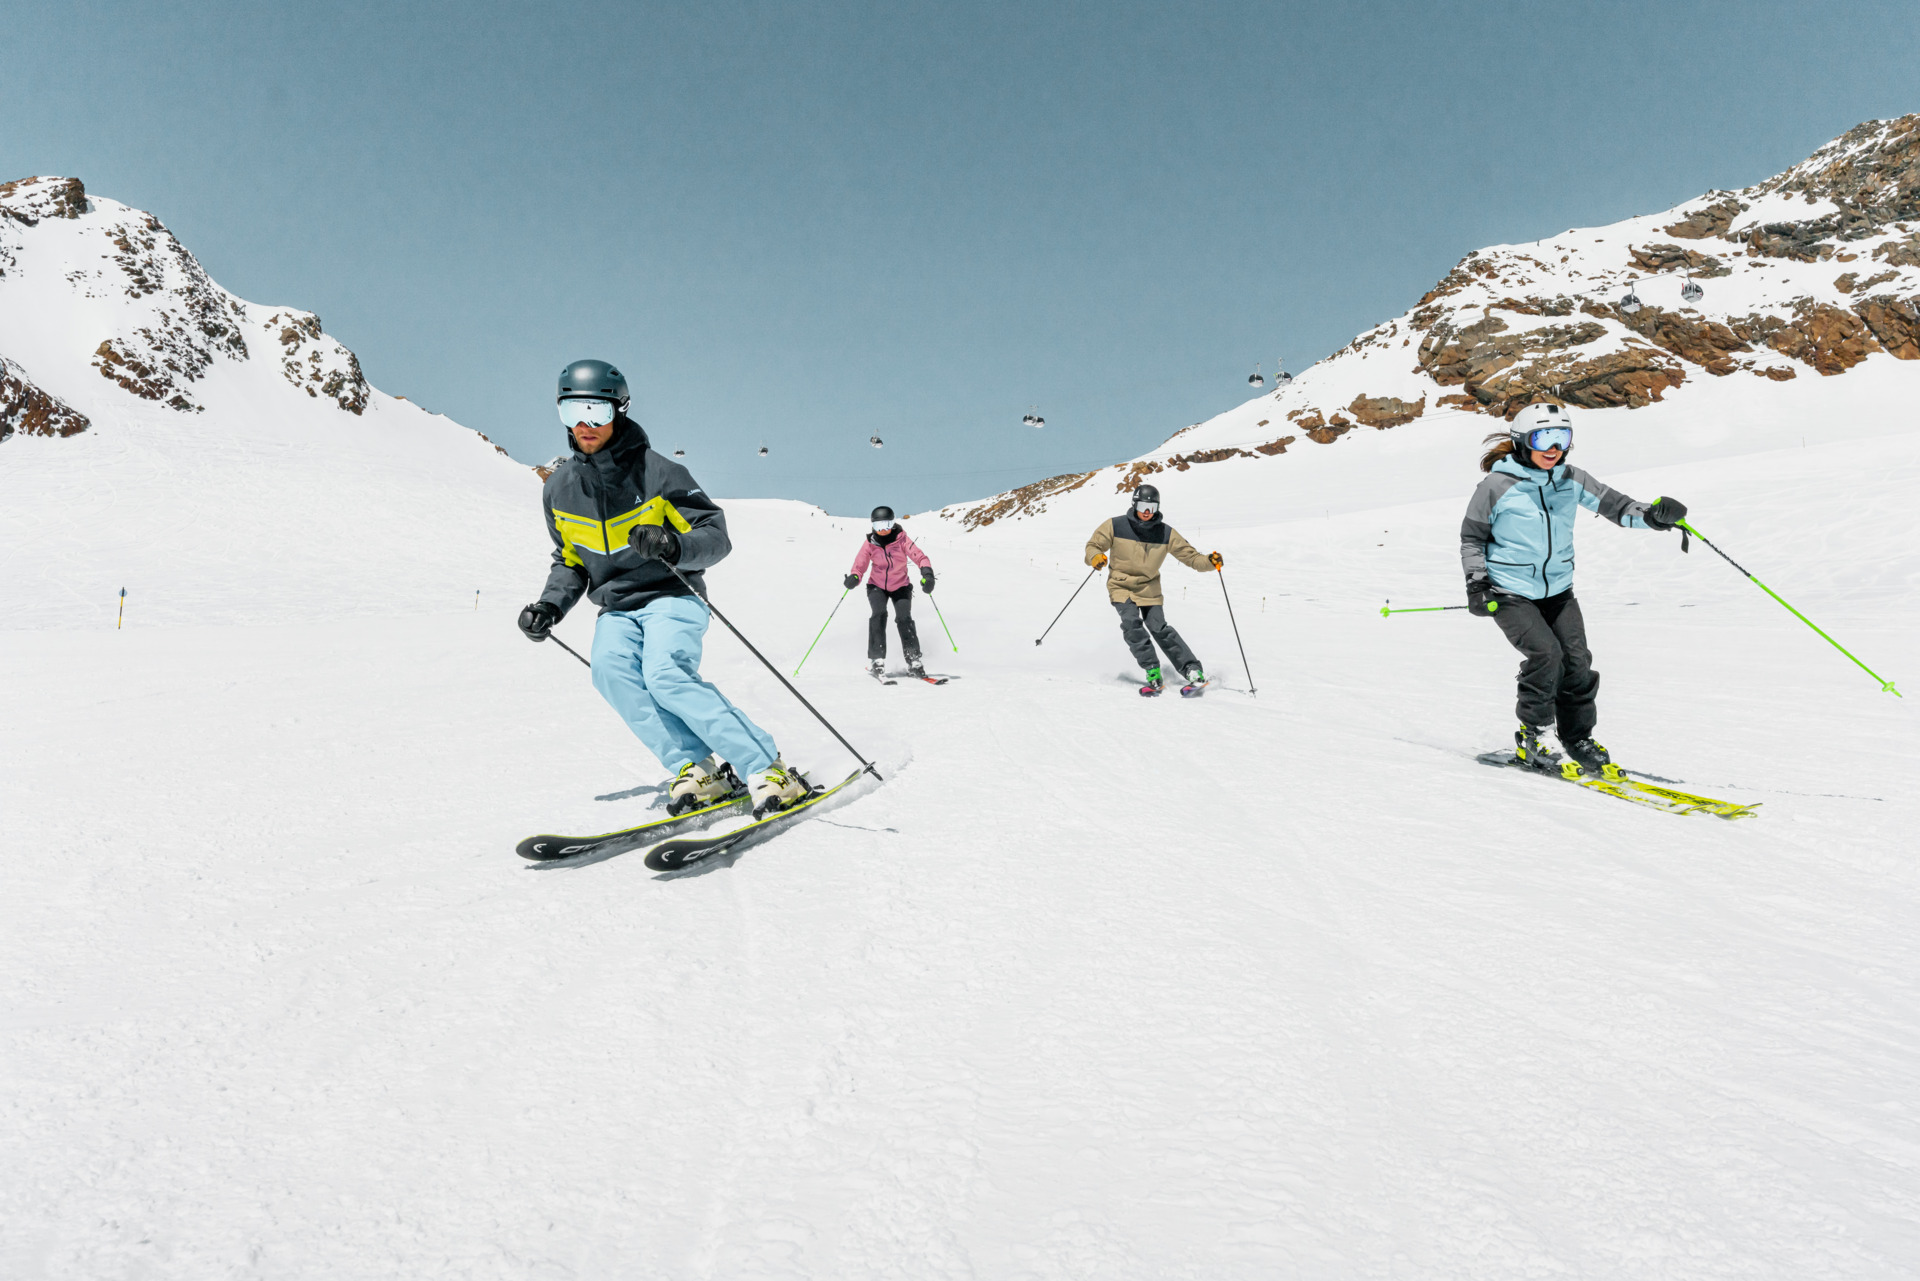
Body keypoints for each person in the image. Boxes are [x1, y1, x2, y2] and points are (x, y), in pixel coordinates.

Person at [517, 359, 810, 819]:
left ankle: (766, 767)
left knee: (665, 675)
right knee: (610, 673)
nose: (584, 425)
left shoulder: (659, 473)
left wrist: (673, 545)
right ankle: (698, 769)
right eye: (571, 412)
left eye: (596, 411)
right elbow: (570, 561)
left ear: (619, 410)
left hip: (672, 594)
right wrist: (550, 606)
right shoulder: (559, 489)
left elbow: (715, 536)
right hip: (617, 607)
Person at [1460, 402, 1688, 773]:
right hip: (1508, 592)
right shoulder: (1496, 487)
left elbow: (1619, 507)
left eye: (1562, 438)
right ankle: (1536, 736)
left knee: (1577, 661)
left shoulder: (1571, 478)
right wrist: (1477, 584)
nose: (1554, 448)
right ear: (1522, 441)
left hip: (1558, 590)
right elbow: (1472, 537)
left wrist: (1654, 516)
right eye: (1543, 438)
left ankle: (1576, 738)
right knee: (1546, 655)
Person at [1084, 484, 1221, 694]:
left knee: (1159, 628)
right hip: (1121, 585)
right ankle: (1152, 670)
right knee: (1131, 624)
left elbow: (1191, 557)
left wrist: (1209, 562)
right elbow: (1093, 545)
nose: (1147, 512)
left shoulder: (1165, 533)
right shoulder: (1115, 525)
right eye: (1142, 506)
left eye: (1152, 507)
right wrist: (1095, 557)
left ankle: (1192, 670)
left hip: (1149, 588)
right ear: (1134, 505)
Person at [844, 506, 934, 678]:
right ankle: (876, 659)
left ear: (893, 524)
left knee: (904, 618)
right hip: (876, 586)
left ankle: (914, 660)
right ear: (873, 526)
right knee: (879, 614)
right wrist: (854, 576)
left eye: (887, 525)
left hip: (901, 586)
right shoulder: (870, 543)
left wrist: (927, 574)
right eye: (878, 526)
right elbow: (860, 564)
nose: (883, 530)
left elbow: (919, 556)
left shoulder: (902, 539)